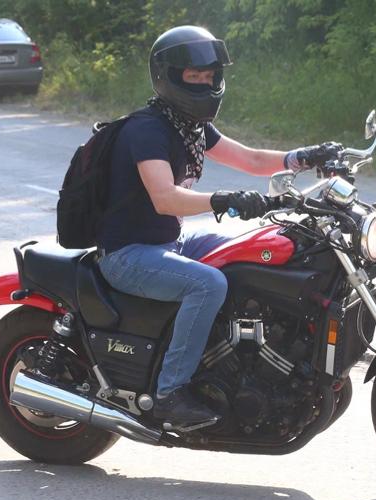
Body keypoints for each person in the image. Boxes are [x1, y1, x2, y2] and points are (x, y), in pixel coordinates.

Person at [97, 25, 340, 428]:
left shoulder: (188, 125)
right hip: (128, 254)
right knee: (207, 284)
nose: (205, 82)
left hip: (169, 242)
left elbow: (251, 160)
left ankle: (234, 360)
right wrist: (224, 199)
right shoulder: (148, 129)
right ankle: (169, 394)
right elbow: (165, 198)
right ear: (168, 76)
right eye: (194, 75)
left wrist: (305, 156)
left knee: (247, 253)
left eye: (210, 75)